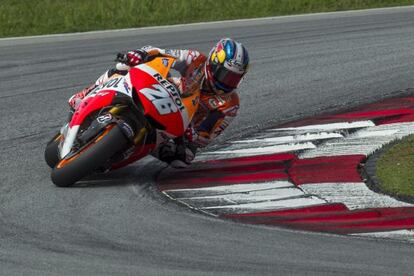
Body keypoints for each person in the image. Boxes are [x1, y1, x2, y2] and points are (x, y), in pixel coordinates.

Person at [68, 38, 249, 167]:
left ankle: (124, 153)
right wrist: (141, 54)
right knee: (124, 67)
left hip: (182, 127)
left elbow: (206, 136)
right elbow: (161, 54)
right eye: (225, 75)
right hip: (166, 94)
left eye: (234, 78)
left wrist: (195, 135)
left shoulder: (229, 104)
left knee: (182, 159)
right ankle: (87, 93)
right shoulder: (194, 59)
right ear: (213, 64)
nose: (227, 82)